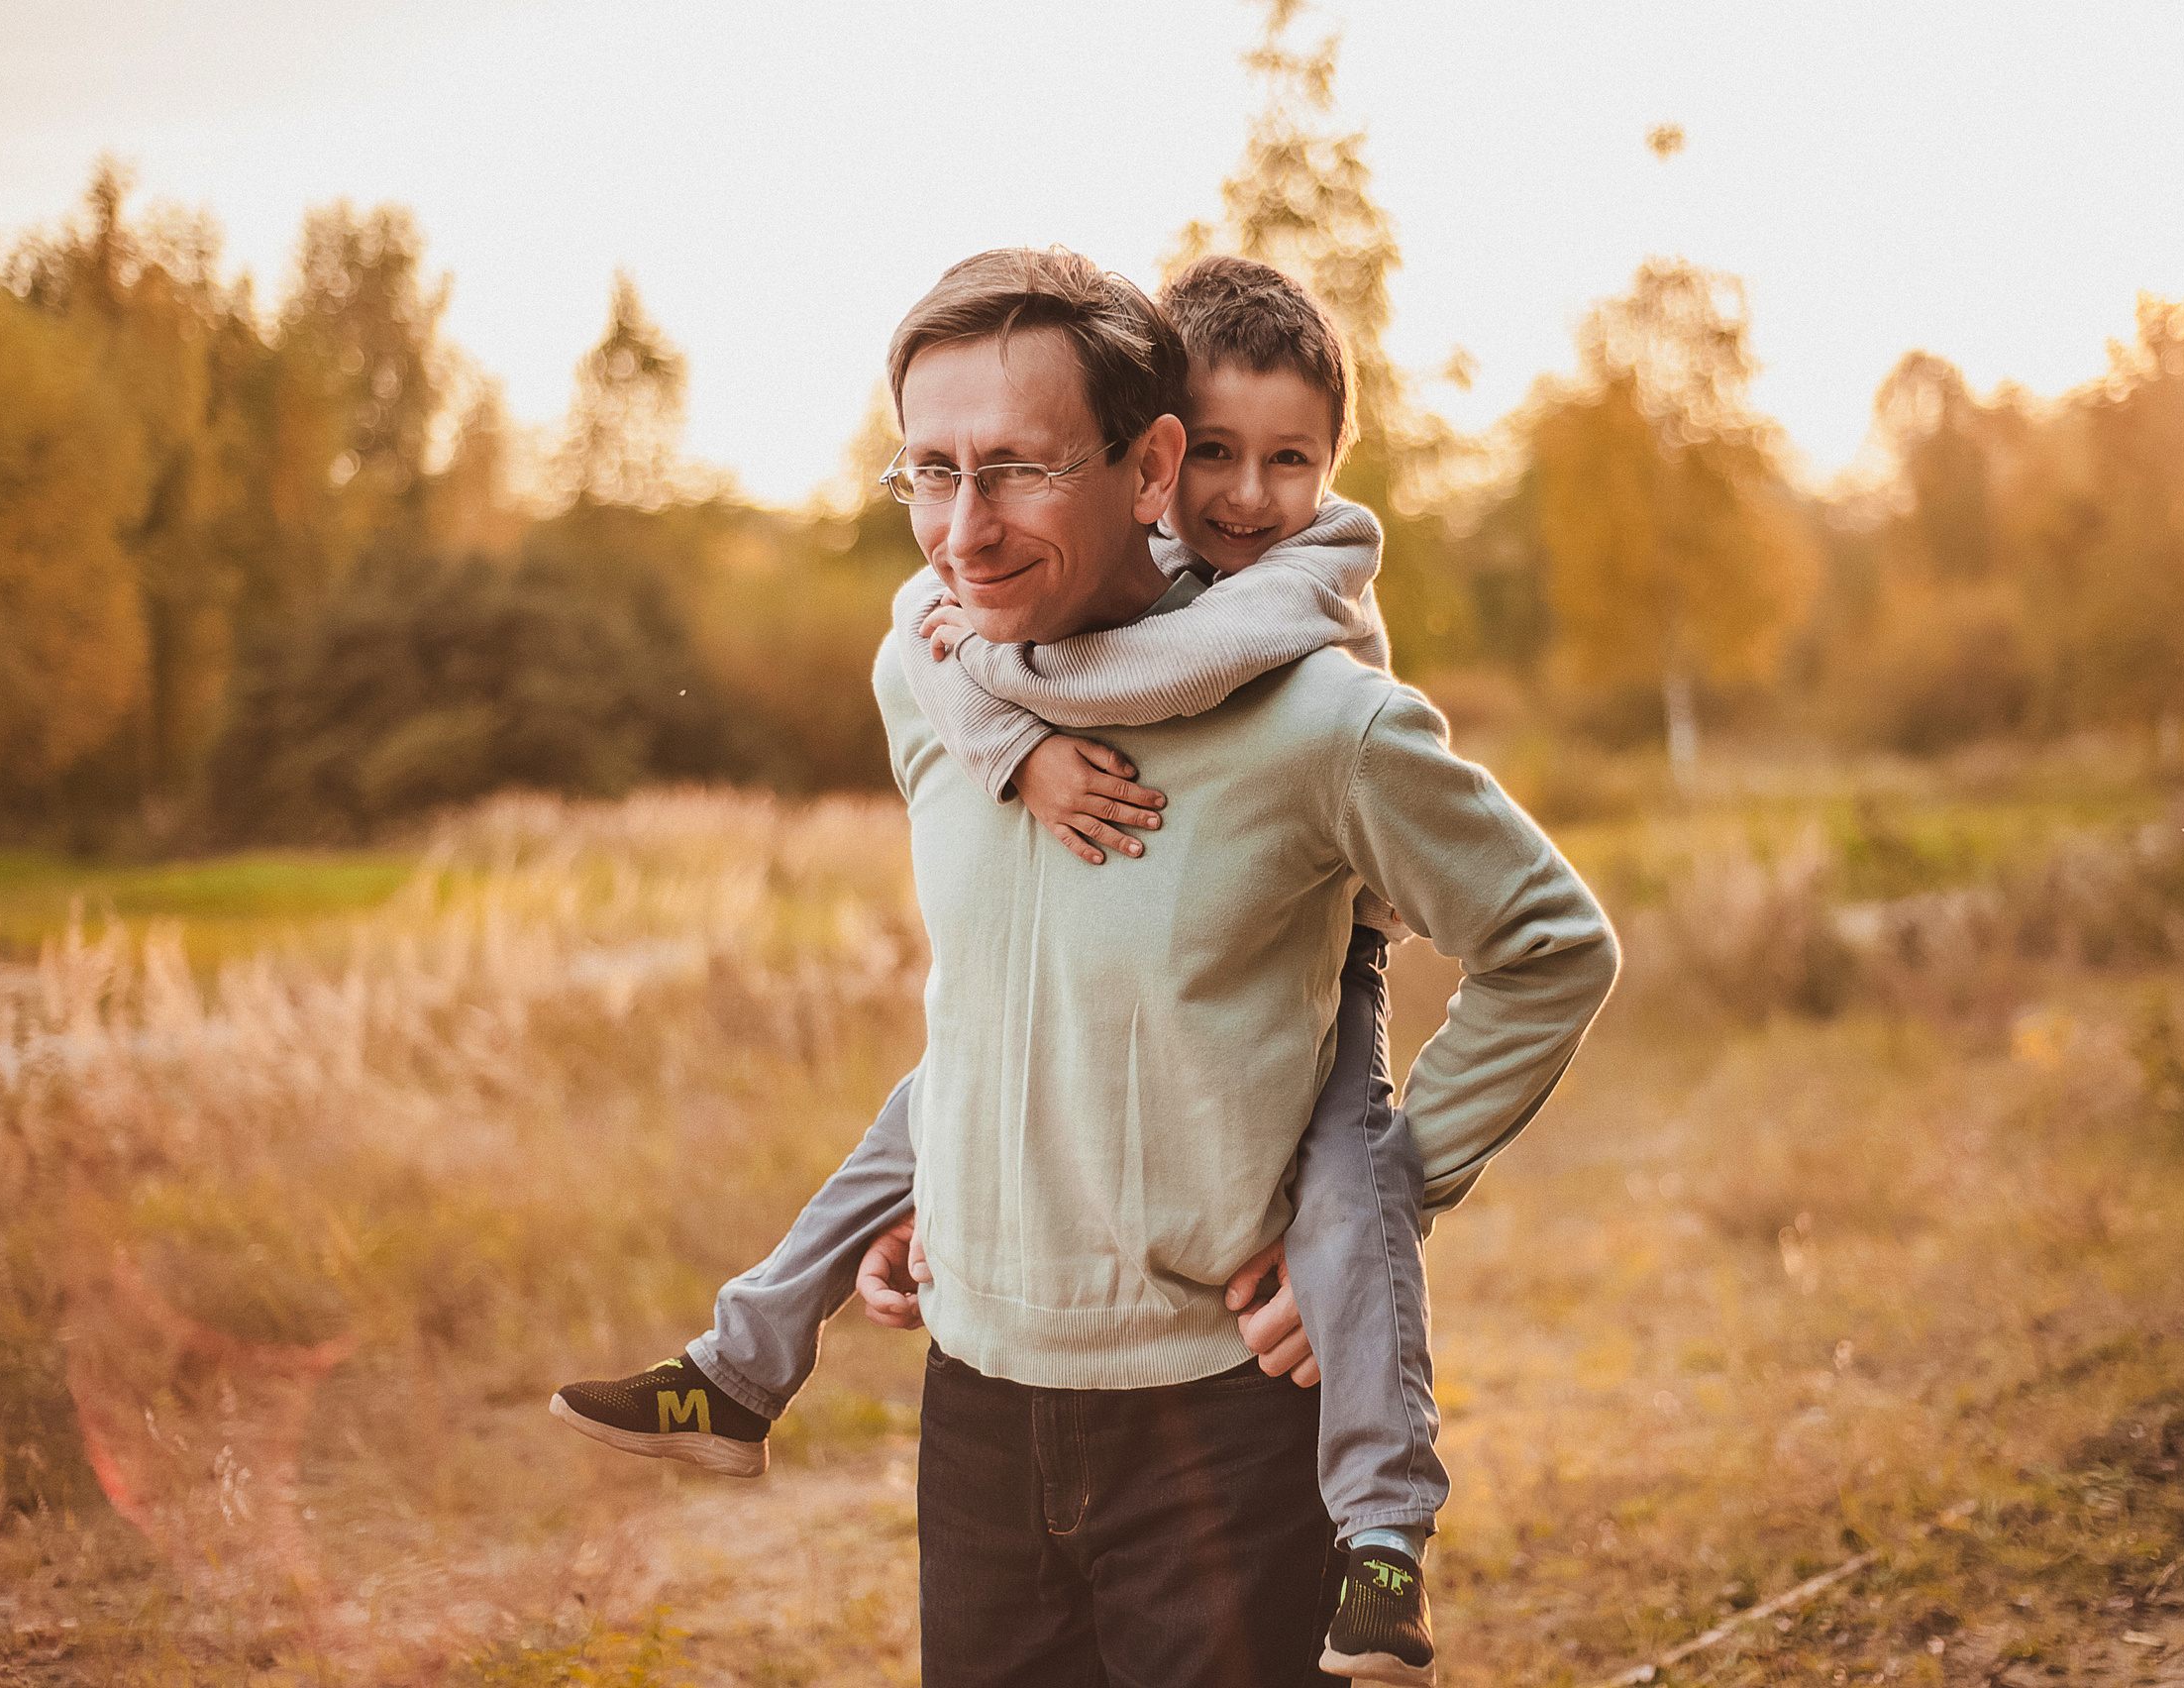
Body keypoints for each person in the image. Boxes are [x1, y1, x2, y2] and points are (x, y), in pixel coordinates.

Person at [556, 249, 1617, 1687]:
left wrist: (1380, 1209)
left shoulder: (1327, 721)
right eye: (931, 472)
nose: (964, 533)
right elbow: (1014, 1002)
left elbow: (1547, 947)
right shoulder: (930, 684)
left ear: (1150, 467)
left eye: (1019, 472)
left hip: (1220, 1428)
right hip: (979, 1417)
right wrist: (976, 1195)